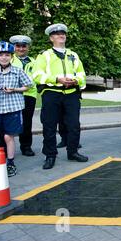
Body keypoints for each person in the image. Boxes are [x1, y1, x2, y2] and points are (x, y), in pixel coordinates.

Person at [32, 23, 88, 169]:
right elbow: (37, 75)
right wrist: (57, 79)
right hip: (52, 93)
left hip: (71, 94)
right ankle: (50, 155)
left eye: (63, 33)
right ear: (51, 38)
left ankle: (73, 152)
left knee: (74, 125)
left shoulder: (73, 55)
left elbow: (82, 74)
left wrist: (76, 81)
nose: (61, 35)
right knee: (49, 126)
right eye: (57, 34)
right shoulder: (44, 55)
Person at [0, 41, 33, 177]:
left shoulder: (17, 71)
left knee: (9, 136)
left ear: (11, 56)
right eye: (0, 55)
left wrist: (14, 89)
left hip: (12, 108)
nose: (4, 57)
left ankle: (10, 163)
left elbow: (27, 86)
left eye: (7, 55)